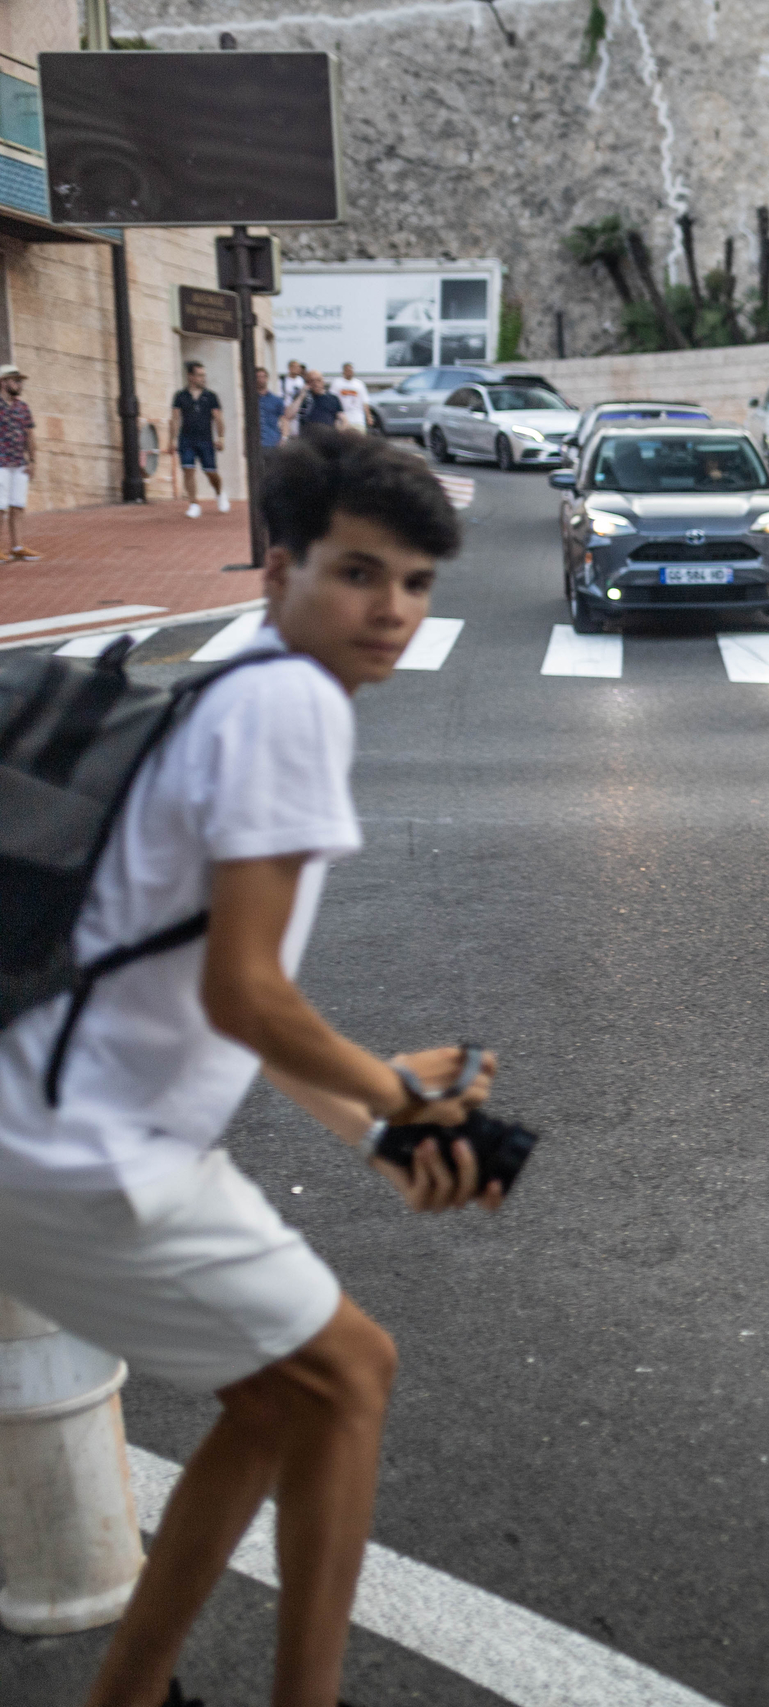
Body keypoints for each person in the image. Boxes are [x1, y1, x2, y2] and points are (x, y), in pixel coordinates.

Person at [0, 432, 495, 1707]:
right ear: (278, 569)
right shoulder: (291, 706)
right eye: (359, 574)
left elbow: (207, 982)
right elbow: (249, 994)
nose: (390, 611)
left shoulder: (231, 691)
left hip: (56, 1123)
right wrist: (409, 1108)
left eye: (416, 583)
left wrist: (381, 1121)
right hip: (89, 1150)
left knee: (278, 1400)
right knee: (348, 1375)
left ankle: (133, 1695)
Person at [168, 362, 227, 519]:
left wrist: (220, 438)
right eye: (200, 375)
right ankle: (194, 504)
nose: (203, 378)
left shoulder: (211, 396)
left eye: (204, 375)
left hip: (206, 440)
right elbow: (174, 419)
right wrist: (172, 440)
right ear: (191, 377)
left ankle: (220, 493)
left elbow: (218, 418)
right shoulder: (180, 396)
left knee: (210, 472)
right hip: (186, 439)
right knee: (188, 470)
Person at [0, 363, 34, 561]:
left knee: (18, 504)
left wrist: (33, 460)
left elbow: (30, 434)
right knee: (0, 506)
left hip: (19, 462)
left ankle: (17, 546)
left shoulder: (22, 407)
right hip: (1, 463)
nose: (20, 384)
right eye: (16, 380)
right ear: (3, 382)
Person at [286, 368, 344, 439]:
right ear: (307, 383)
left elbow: (342, 418)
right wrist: (301, 396)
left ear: (323, 382)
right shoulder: (303, 398)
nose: (315, 383)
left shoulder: (332, 398)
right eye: (312, 381)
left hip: (328, 439)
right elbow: (288, 415)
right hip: (308, 440)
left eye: (318, 380)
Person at [331, 362, 372, 435]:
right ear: (343, 371)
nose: (349, 372)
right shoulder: (337, 383)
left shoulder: (359, 384)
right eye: (347, 370)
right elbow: (331, 400)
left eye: (351, 370)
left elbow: (365, 402)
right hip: (343, 420)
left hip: (358, 419)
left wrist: (368, 417)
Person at [255, 366, 287, 450]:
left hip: (272, 441)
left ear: (267, 378)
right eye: (258, 377)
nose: (260, 380)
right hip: (255, 443)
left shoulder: (276, 400)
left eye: (263, 377)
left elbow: (284, 419)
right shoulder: (250, 401)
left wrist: (283, 438)